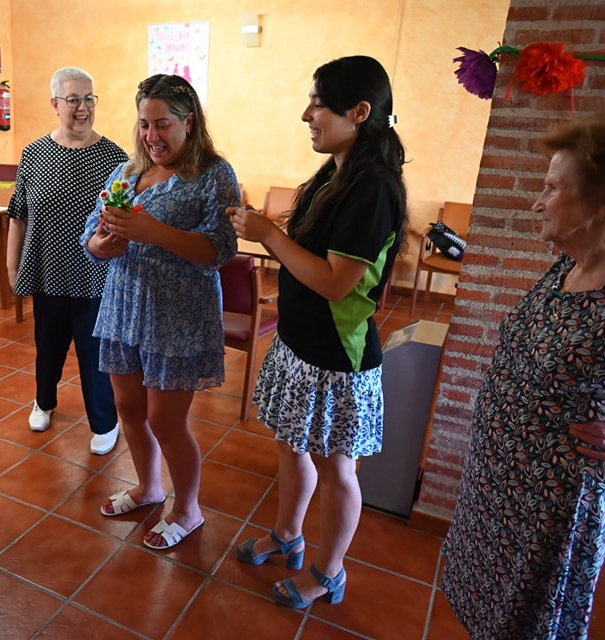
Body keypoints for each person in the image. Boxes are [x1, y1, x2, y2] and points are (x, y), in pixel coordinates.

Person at [441, 110, 605, 640]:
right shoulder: (571, 261)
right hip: (499, 494)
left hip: (551, 517)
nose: (537, 201)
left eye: (553, 188)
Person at [228, 56, 407, 608]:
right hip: (299, 346)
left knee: (336, 468)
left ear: (359, 112)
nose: (307, 114)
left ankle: (330, 571)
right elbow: (312, 248)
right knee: (290, 445)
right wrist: (272, 228)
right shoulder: (338, 171)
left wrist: (266, 235)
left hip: (338, 359)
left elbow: (336, 283)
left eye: (318, 104)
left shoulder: (373, 186)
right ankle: (288, 535)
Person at [81, 74, 240, 549]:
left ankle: (188, 509)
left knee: (166, 420)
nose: (153, 136)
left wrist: (153, 231)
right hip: (124, 305)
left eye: (163, 124)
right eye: (145, 124)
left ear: (188, 122)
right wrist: (104, 243)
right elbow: (91, 237)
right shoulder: (127, 173)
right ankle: (149, 487)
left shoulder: (214, 174)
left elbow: (221, 249)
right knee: (129, 409)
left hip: (179, 314)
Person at [7, 67, 129, 454]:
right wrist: (12, 268)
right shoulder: (35, 154)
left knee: (95, 355)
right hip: (47, 270)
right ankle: (43, 401)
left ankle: (105, 422)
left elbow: (126, 221)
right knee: (48, 344)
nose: (83, 107)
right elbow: (19, 215)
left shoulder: (115, 158)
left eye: (89, 98)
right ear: (55, 104)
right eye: (73, 99)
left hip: (97, 276)